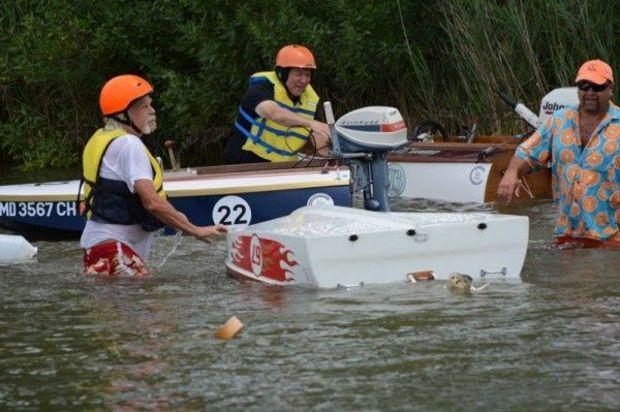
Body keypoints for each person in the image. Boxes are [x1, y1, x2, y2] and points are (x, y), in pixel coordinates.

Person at [80, 74, 227, 276]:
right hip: (114, 249)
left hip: (100, 247)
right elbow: (152, 202)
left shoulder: (103, 138)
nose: (153, 111)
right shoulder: (129, 145)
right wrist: (194, 229)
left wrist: (177, 218)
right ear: (123, 114)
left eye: (150, 105)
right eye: (144, 107)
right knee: (150, 304)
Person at [498, 59, 619, 249]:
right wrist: (512, 173)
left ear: (610, 87)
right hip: (567, 236)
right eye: (583, 86)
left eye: (597, 87)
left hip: (612, 239)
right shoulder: (558, 121)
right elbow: (526, 152)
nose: (589, 93)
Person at [224, 44, 332, 163]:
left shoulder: (310, 99)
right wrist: (312, 124)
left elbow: (306, 143)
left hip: (279, 168)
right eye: (298, 74)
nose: (304, 80)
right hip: (243, 163)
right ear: (283, 73)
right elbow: (274, 113)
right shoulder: (260, 88)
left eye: (307, 75)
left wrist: (328, 148)